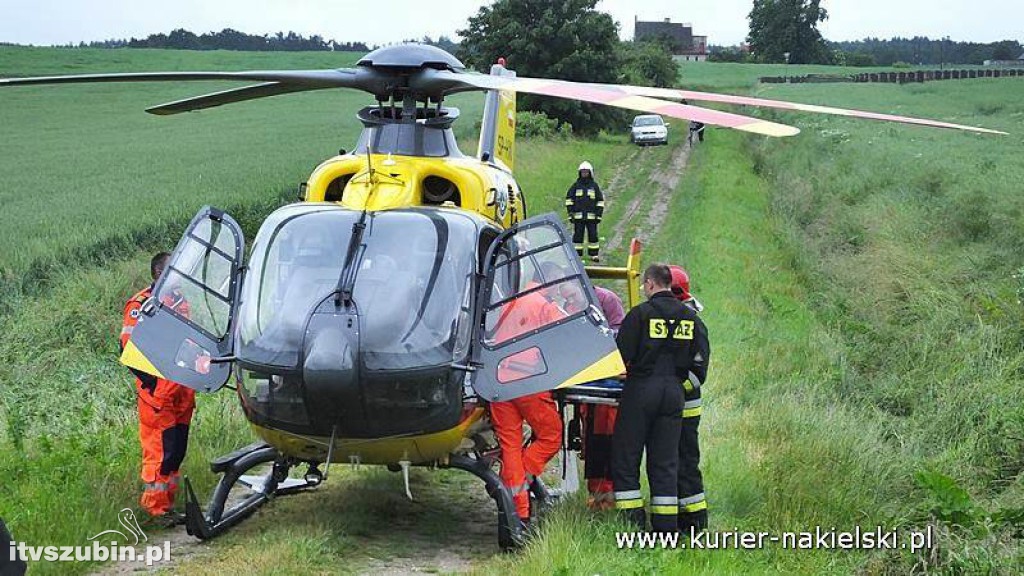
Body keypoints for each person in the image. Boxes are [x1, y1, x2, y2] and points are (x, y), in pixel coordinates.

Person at [610, 264, 709, 532]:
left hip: (641, 390)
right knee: (666, 463)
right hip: (674, 395)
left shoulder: (640, 315)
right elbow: (700, 364)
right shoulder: (691, 319)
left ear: (650, 284)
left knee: (626, 459)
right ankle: (666, 529)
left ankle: (633, 525)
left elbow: (620, 359)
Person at [488, 265, 568, 529]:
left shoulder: (509, 301)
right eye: (558, 284)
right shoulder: (544, 306)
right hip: (529, 382)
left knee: (510, 446)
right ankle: (520, 479)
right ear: (550, 281)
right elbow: (566, 336)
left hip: (498, 382)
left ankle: (518, 513)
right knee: (551, 435)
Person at [120, 252, 196, 525]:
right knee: (159, 451)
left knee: (176, 449)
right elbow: (127, 348)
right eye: (172, 272)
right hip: (158, 394)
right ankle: (155, 509)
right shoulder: (141, 305)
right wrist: (152, 385)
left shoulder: (179, 301)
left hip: (182, 389)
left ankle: (168, 505)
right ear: (157, 274)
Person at [560, 282, 626, 510]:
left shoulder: (607, 300)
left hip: (608, 376)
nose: (568, 300)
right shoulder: (569, 304)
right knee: (591, 439)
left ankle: (609, 492)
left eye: (570, 295)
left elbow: (620, 334)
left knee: (607, 437)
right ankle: (596, 491)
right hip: (587, 376)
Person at [669, 265, 710, 533]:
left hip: (685, 408)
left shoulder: (693, 324)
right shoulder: (668, 320)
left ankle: (694, 521)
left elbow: (698, 372)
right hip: (669, 408)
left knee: (685, 463)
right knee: (668, 463)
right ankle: (674, 518)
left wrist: (675, 390)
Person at [565, 161, 605, 263]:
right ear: (580, 173)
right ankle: (577, 255)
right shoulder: (575, 186)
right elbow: (569, 199)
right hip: (578, 218)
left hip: (592, 218)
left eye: (586, 172)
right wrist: (570, 213)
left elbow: (600, 201)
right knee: (578, 236)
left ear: (590, 173)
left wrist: (598, 215)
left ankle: (594, 255)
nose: (584, 174)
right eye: (582, 172)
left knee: (593, 236)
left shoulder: (594, 186)